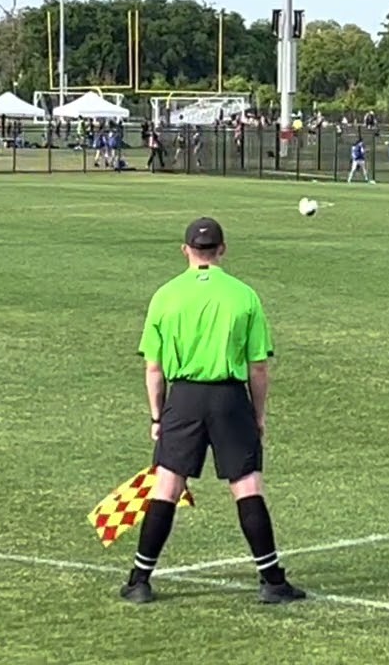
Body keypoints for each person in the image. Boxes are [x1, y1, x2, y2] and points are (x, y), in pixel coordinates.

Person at [123, 216, 305, 606]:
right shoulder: (244, 296)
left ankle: (140, 580)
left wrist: (157, 417)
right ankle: (272, 581)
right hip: (228, 398)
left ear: (185, 250)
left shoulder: (164, 296)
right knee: (247, 486)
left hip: (183, 398)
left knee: (167, 487)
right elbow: (258, 366)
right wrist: (257, 416)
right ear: (222, 249)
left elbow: (153, 368)